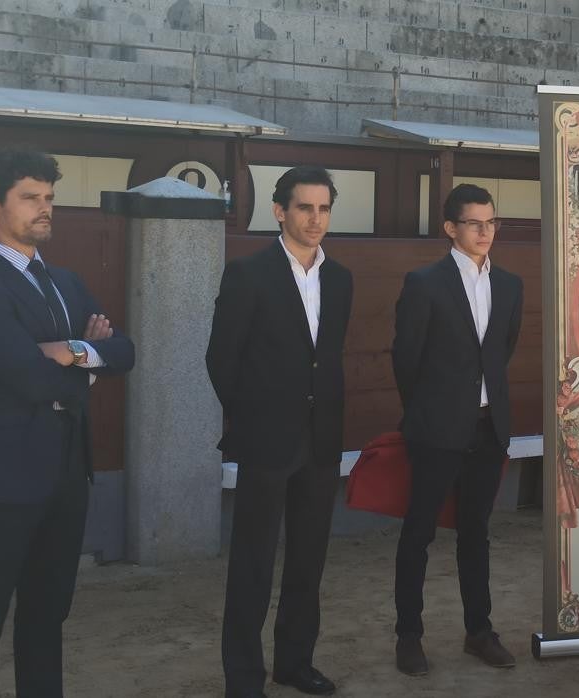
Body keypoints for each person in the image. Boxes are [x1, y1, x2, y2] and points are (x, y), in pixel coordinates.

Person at [0, 147, 135, 697]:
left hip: (67, 473)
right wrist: (86, 362)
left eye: (49, 197)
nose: (44, 207)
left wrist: (70, 351)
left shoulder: (66, 282)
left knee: (47, 617)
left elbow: (124, 351)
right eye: (30, 197)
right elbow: (25, 376)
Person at [207, 165, 354, 697]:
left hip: (321, 440)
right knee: (252, 564)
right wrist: (253, 420)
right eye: (304, 208)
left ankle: (294, 663)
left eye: (323, 208)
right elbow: (221, 359)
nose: (315, 219)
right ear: (279, 211)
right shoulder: (248, 274)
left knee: (308, 561)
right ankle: (244, 679)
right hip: (266, 441)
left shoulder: (340, 279)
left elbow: (326, 359)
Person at [390, 183, 523, 676]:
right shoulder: (424, 283)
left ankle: (479, 632)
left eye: (491, 222)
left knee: (476, 534)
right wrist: (431, 413)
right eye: (474, 223)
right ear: (450, 228)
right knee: (418, 534)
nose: (485, 232)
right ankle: (409, 636)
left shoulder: (509, 284)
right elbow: (406, 360)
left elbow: (500, 352)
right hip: (436, 430)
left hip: (488, 429)